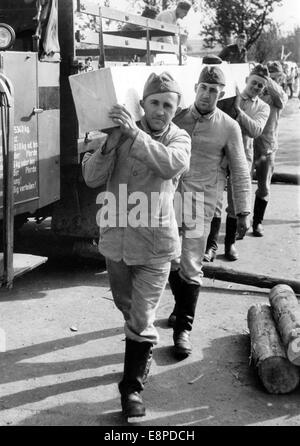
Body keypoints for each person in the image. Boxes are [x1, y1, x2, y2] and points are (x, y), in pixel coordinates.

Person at [82, 72, 191, 418]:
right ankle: (138, 351)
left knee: (142, 315)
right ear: (143, 103)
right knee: (126, 306)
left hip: (156, 246)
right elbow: (91, 178)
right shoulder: (119, 132)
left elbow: (170, 164)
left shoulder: (180, 138)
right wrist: (110, 144)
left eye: (168, 105)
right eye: (155, 103)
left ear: (176, 109)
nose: (160, 111)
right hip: (116, 243)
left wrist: (134, 135)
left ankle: (131, 388)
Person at [167, 65, 252, 358]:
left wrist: (243, 211)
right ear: (195, 88)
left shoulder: (229, 126)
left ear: (222, 94)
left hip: (201, 202)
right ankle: (180, 307)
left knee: (190, 262)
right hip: (168, 199)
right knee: (169, 258)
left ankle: (183, 329)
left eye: (213, 90)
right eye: (203, 88)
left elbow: (240, 169)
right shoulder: (175, 116)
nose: (207, 94)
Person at [204, 64, 270, 262]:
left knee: (235, 202)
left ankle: (230, 244)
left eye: (260, 86)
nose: (256, 87)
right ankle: (211, 245)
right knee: (214, 199)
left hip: (241, 157)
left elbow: (256, 130)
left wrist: (239, 111)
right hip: (219, 153)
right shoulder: (230, 96)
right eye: (254, 83)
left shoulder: (263, 107)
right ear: (247, 80)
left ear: (263, 89)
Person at [252, 61, 288, 236]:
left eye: (275, 77)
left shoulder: (278, 93)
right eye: (269, 76)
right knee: (238, 185)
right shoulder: (256, 89)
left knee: (264, 187)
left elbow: (281, 100)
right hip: (248, 144)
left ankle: (257, 222)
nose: (271, 80)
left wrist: (268, 80)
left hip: (266, 147)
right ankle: (236, 221)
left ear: (280, 77)